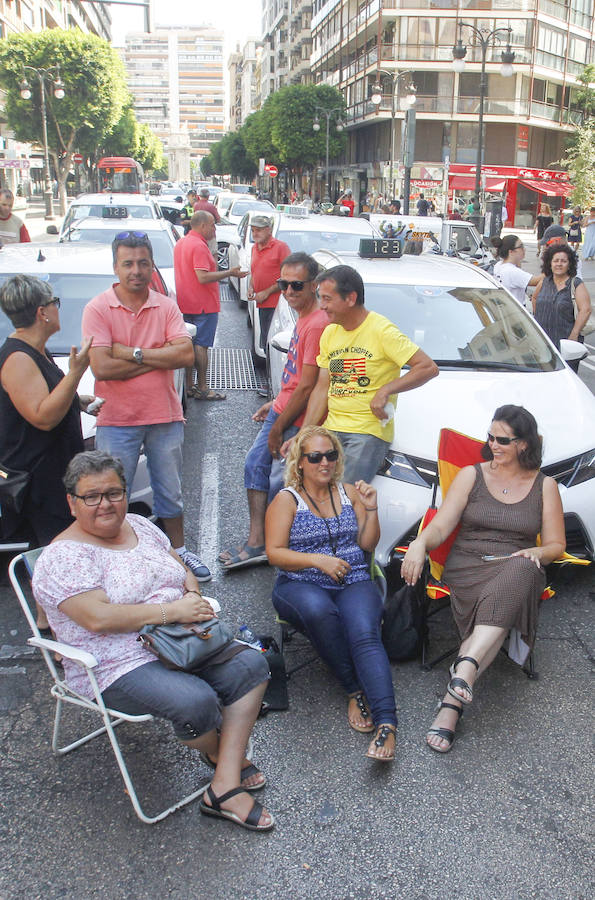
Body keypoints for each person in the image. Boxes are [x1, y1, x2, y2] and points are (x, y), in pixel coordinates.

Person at [32, 451, 274, 831]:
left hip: (178, 639)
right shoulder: (64, 557)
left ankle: (223, 782)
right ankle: (222, 756)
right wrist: (173, 612)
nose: (105, 504)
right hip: (114, 662)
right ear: (72, 503)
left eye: (114, 492)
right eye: (91, 496)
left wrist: (191, 595)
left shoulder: (139, 526)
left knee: (253, 664)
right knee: (195, 700)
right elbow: (99, 619)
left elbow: (179, 569)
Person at [401, 405, 565, 753]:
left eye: (502, 439)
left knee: (521, 570)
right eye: (490, 436)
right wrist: (419, 544)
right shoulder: (470, 475)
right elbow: (443, 524)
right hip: (468, 564)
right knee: (503, 608)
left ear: (525, 444)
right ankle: (465, 672)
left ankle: (456, 693)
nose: (492, 444)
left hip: (517, 563)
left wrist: (539, 553)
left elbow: (555, 545)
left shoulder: (545, 486)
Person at [82, 231, 212, 582]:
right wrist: (158, 357)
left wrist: (130, 352)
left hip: (164, 414)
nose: (136, 270)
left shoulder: (166, 305)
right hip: (116, 418)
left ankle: (180, 553)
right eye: (128, 263)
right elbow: (102, 367)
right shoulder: (98, 308)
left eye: (142, 262)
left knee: (171, 491)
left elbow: (185, 355)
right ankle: (117, 560)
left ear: (152, 265)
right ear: (116, 267)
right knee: (111, 494)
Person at [266, 426, 398, 761]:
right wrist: (317, 560)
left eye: (331, 455)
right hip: (300, 583)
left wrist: (370, 510)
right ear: (300, 463)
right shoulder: (287, 500)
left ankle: (387, 724)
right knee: (320, 612)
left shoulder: (350, 491)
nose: (324, 462)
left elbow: (367, 545)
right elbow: (274, 553)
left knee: (365, 634)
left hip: (352, 579)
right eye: (315, 457)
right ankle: (355, 689)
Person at [219, 253, 329, 571]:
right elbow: (296, 379)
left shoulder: (317, 325)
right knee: (259, 469)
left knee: (275, 480)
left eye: (297, 285)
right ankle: (263, 542)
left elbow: (308, 387)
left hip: (294, 418)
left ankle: (267, 544)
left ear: (314, 285)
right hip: (283, 409)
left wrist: (281, 424)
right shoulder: (303, 318)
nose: (289, 291)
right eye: (283, 284)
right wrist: (275, 401)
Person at [0, 275, 93, 633]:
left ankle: (51, 620)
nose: (58, 309)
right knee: (52, 551)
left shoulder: (33, 351)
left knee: (55, 550)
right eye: (56, 303)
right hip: (39, 477)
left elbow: (50, 398)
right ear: (42, 312)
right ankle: (49, 623)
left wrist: (80, 402)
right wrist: (76, 374)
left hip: (56, 469)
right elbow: (41, 416)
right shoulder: (17, 358)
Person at [288, 265, 438, 484]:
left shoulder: (382, 331)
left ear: (350, 298)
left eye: (328, 299)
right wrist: (303, 435)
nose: (322, 306)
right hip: (332, 429)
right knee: (304, 489)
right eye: (321, 299)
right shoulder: (330, 332)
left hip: (367, 432)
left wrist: (386, 390)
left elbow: (427, 367)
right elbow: (322, 389)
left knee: (344, 497)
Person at [174, 210, 247, 401]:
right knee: (201, 346)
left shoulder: (182, 242)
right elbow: (203, 276)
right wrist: (230, 272)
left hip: (186, 302)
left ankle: (189, 385)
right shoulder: (198, 245)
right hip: (203, 304)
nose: (215, 229)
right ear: (203, 225)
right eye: (213, 225)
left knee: (189, 344)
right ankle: (204, 387)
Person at [532, 243, 592, 373]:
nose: (559, 264)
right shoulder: (544, 282)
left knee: (565, 378)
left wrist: (574, 334)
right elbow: (535, 298)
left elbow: (585, 310)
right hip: (543, 341)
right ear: (550, 263)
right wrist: (538, 316)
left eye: (563, 261)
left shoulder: (575, 284)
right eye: (556, 261)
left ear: (569, 264)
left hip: (566, 342)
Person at [248, 215, 291, 352]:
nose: (255, 234)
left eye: (258, 230)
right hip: (262, 304)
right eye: (253, 230)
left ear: (268, 230)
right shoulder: (254, 248)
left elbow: (288, 277)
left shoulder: (281, 248)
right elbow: (254, 271)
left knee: (274, 346)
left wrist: (266, 292)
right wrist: (251, 287)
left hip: (277, 305)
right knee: (265, 343)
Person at [492, 235, 543, 305]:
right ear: (511, 252)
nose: (524, 249)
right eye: (521, 246)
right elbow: (537, 281)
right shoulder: (512, 272)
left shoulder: (499, 265)